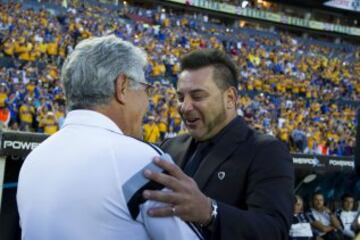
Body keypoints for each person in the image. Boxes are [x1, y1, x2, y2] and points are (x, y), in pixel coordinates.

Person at [16, 35, 202, 240]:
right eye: (145, 88)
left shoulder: (33, 159)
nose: (147, 102)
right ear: (121, 87)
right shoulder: (143, 161)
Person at [142, 49, 295, 239]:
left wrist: (210, 212)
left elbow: (274, 230)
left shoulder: (266, 151)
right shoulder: (169, 147)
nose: (184, 107)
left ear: (230, 98)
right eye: (181, 97)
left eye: (198, 96)